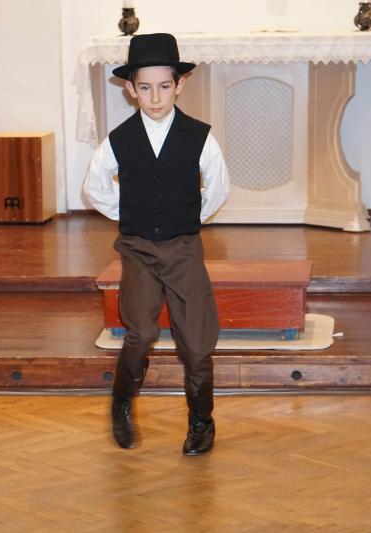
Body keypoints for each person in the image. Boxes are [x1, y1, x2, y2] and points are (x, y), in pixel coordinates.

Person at [83, 33, 230, 456]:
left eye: (164, 86)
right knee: (142, 330)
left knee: (197, 342)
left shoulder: (199, 137)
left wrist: (186, 217)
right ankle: (121, 403)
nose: (155, 97)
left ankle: (201, 422)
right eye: (145, 87)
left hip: (183, 248)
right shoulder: (119, 139)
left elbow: (218, 189)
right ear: (131, 89)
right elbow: (95, 187)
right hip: (139, 249)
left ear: (179, 84)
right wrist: (131, 213)